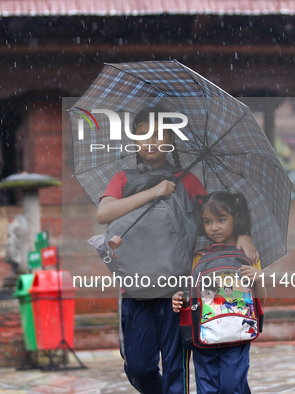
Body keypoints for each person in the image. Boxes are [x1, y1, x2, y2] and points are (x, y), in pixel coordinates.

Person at [97, 107, 259, 394]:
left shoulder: (188, 181)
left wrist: (243, 234)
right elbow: (104, 213)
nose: (152, 140)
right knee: (139, 366)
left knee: (176, 367)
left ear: (172, 139)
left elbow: (216, 218)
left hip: (178, 290)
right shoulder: (122, 178)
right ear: (134, 140)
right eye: (144, 134)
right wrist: (154, 191)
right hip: (136, 289)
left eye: (160, 134)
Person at [172, 191, 267, 394]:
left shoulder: (248, 255)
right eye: (207, 222)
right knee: (207, 388)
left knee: (233, 385)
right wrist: (178, 300)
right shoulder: (198, 258)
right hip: (205, 334)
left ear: (236, 218)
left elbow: (260, 301)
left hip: (237, 332)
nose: (214, 227)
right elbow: (190, 296)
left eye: (221, 220)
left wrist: (259, 279)